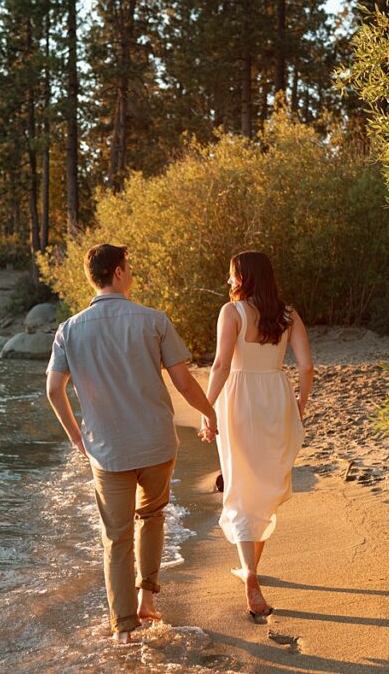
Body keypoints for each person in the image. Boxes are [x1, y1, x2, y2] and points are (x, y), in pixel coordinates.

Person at [45, 244, 219, 643]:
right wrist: (209, 413)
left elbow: (54, 390)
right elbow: (184, 383)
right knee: (153, 516)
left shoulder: (69, 329)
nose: (131, 271)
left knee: (116, 536)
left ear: (94, 278)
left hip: (107, 450)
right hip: (156, 443)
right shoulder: (153, 320)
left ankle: (123, 628)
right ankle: (147, 600)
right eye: (130, 266)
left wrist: (76, 436)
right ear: (119, 273)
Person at [202, 250, 314, 620]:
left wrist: (207, 409)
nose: (229, 280)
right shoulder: (288, 314)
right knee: (265, 486)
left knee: (241, 484)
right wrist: (299, 404)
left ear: (244, 277)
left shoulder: (231, 313)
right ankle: (250, 570)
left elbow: (220, 364)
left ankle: (249, 574)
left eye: (232, 274)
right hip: (276, 398)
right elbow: (306, 365)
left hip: (239, 399)